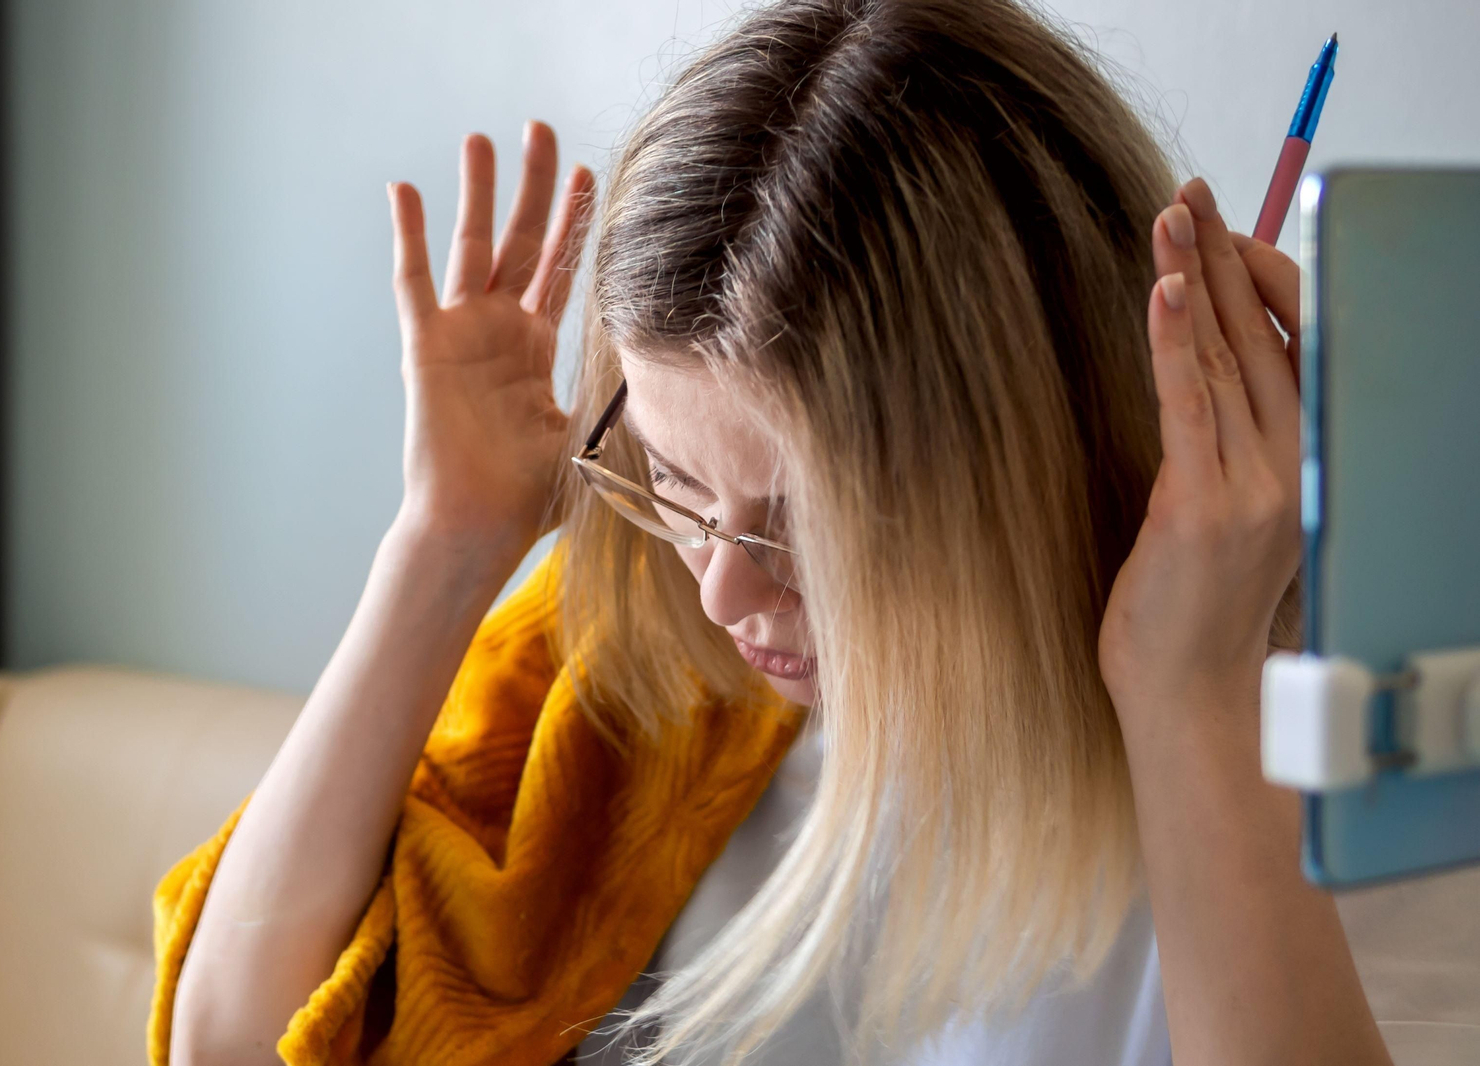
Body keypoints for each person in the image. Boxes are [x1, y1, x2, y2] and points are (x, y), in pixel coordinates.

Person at [151, 0, 1394, 1063]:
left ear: (1011, 475)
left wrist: (1188, 695)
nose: (722, 597)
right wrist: (444, 541)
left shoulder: (1264, 771)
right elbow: (228, 1037)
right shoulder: (639, 668)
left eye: (807, 527)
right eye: (679, 479)